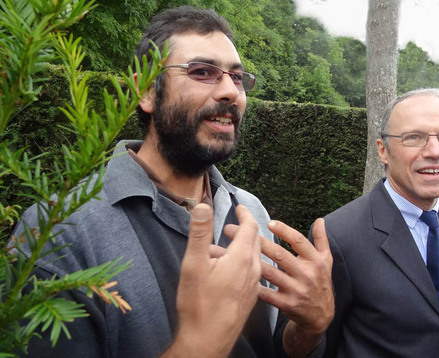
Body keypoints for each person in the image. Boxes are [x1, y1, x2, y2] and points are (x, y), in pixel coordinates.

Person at [12, 6, 334, 358]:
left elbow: (274, 348)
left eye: (237, 77)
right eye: (202, 72)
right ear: (147, 92)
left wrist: (308, 329)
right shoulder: (58, 232)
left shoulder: (250, 211)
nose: (230, 91)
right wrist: (199, 345)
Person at [319, 88, 439, 357]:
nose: (435, 151)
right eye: (414, 137)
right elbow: (317, 346)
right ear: (383, 151)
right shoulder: (337, 236)